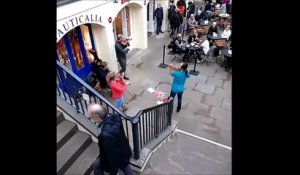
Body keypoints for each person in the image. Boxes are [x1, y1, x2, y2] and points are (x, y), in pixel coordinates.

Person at [88, 104, 133, 175]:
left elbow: (111, 155)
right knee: (125, 166)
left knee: (95, 165)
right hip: (124, 151)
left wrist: (112, 170)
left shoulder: (105, 135)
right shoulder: (114, 116)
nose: (91, 119)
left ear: (96, 117)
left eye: (90, 117)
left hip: (115, 157)